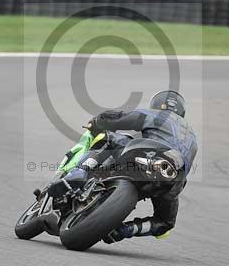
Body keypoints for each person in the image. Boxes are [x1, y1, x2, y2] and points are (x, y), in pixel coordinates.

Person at [78, 90, 197, 244]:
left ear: (156, 105)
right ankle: (123, 231)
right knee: (164, 223)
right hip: (173, 178)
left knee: (108, 138)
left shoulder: (159, 115)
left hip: (148, 155)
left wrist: (97, 122)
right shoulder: (192, 137)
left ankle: (80, 172)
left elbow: (122, 118)